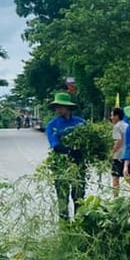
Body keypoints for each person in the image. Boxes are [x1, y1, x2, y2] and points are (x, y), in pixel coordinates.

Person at [45, 92, 86, 220]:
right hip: (61, 165)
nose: (58, 109)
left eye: (60, 106)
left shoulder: (81, 123)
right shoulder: (52, 125)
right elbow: (55, 145)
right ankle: (65, 226)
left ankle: (79, 224)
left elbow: (88, 141)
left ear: (68, 107)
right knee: (63, 198)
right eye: (56, 107)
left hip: (78, 164)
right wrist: (69, 150)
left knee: (78, 196)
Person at [109, 107, 128, 196]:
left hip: (118, 155)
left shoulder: (117, 127)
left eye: (112, 115)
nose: (111, 117)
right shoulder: (126, 125)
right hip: (127, 155)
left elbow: (118, 141)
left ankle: (116, 198)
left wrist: (111, 153)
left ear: (117, 116)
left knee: (115, 178)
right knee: (128, 177)